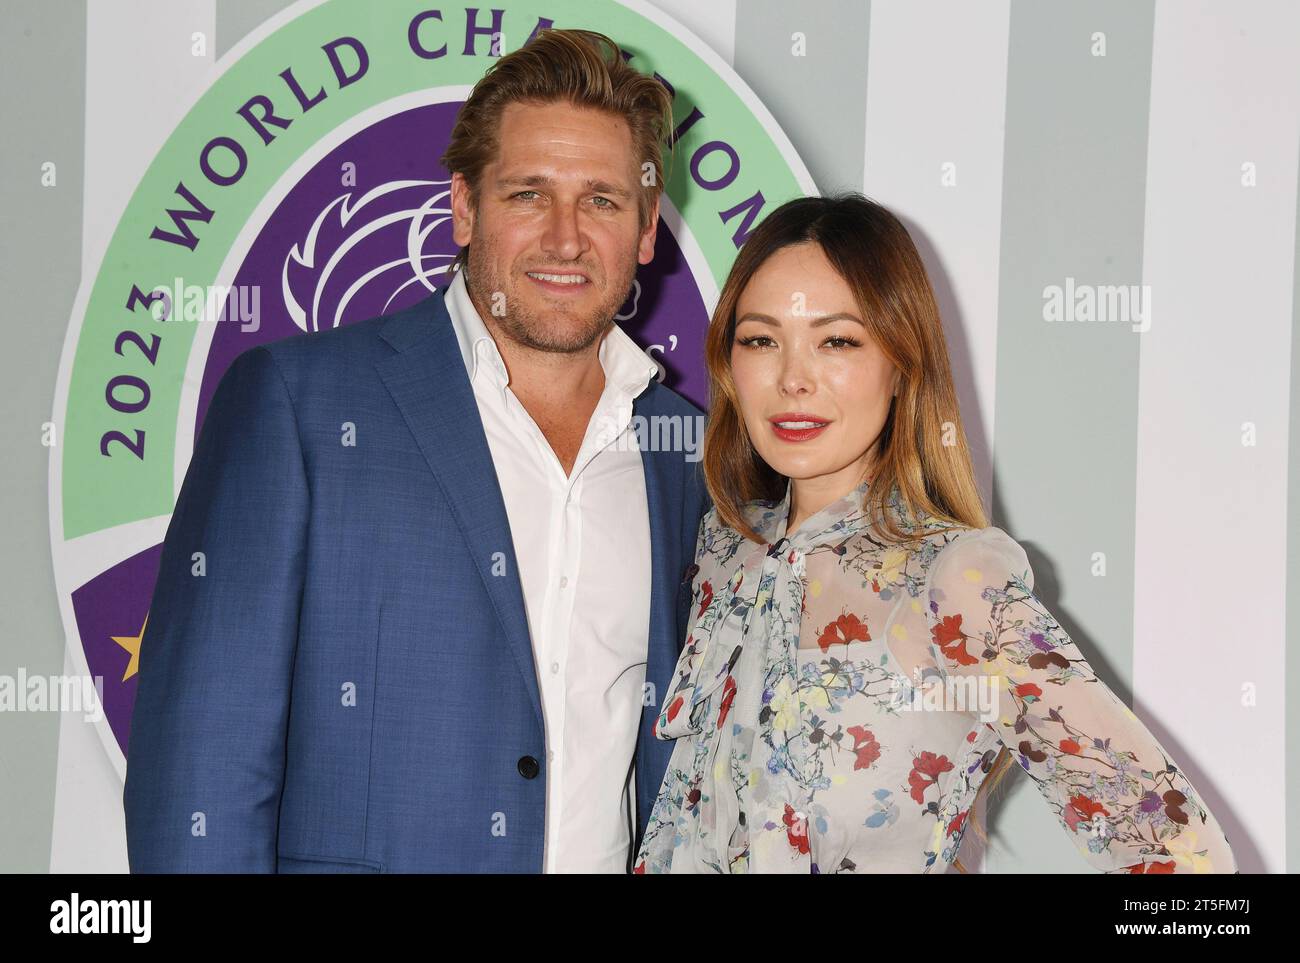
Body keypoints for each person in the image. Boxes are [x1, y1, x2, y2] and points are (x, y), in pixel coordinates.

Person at [124, 29, 708, 873]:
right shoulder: (299, 408)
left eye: (604, 201)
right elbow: (198, 773)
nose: (566, 238)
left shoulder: (686, 456)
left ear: (649, 229)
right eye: (528, 195)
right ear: (464, 207)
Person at [634, 193, 1236, 874]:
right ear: (729, 366)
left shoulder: (953, 582)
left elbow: (1184, 855)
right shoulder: (722, 552)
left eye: (837, 340)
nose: (793, 378)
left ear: (900, 363)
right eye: (761, 340)